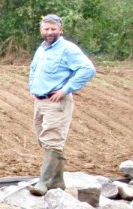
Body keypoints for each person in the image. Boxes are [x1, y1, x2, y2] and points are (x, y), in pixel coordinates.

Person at [28, 14, 95, 196]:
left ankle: (43, 182)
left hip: (56, 101)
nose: (50, 32)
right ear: (41, 30)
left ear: (60, 30)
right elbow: (34, 69)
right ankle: (57, 180)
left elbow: (88, 69)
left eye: (53, 29)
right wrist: (32, 87)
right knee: (45, 138)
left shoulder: (68, 49)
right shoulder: (41, 49)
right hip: (41, 100)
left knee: (53, 139)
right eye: (46, 29)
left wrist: (65, 90)